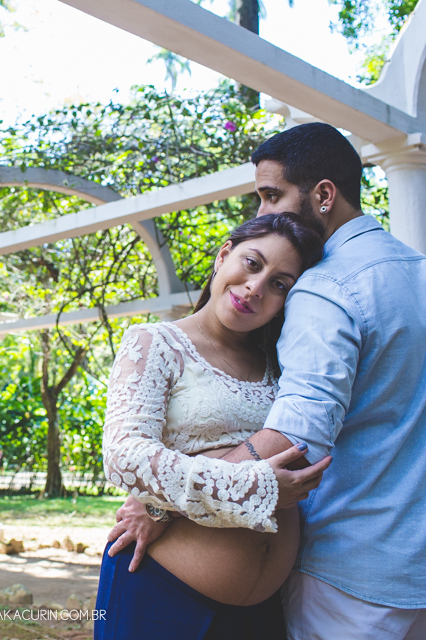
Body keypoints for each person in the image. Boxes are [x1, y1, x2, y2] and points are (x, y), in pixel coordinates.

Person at [109, 123, 426, 640]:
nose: (261, 212)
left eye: (271, 195)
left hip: (353, 580)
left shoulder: (324, 285)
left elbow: (297, 436)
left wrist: (161, 504)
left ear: (324, 195)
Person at [95, 212, 331, 639]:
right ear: (224, 255)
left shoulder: (281, 366)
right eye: (252, 264)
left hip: (263, 611)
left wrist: (163, 506)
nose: (255, 288)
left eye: (280, 284)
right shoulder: (155, 342)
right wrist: (253, 487)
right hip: (162, 592)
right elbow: (124, 454)